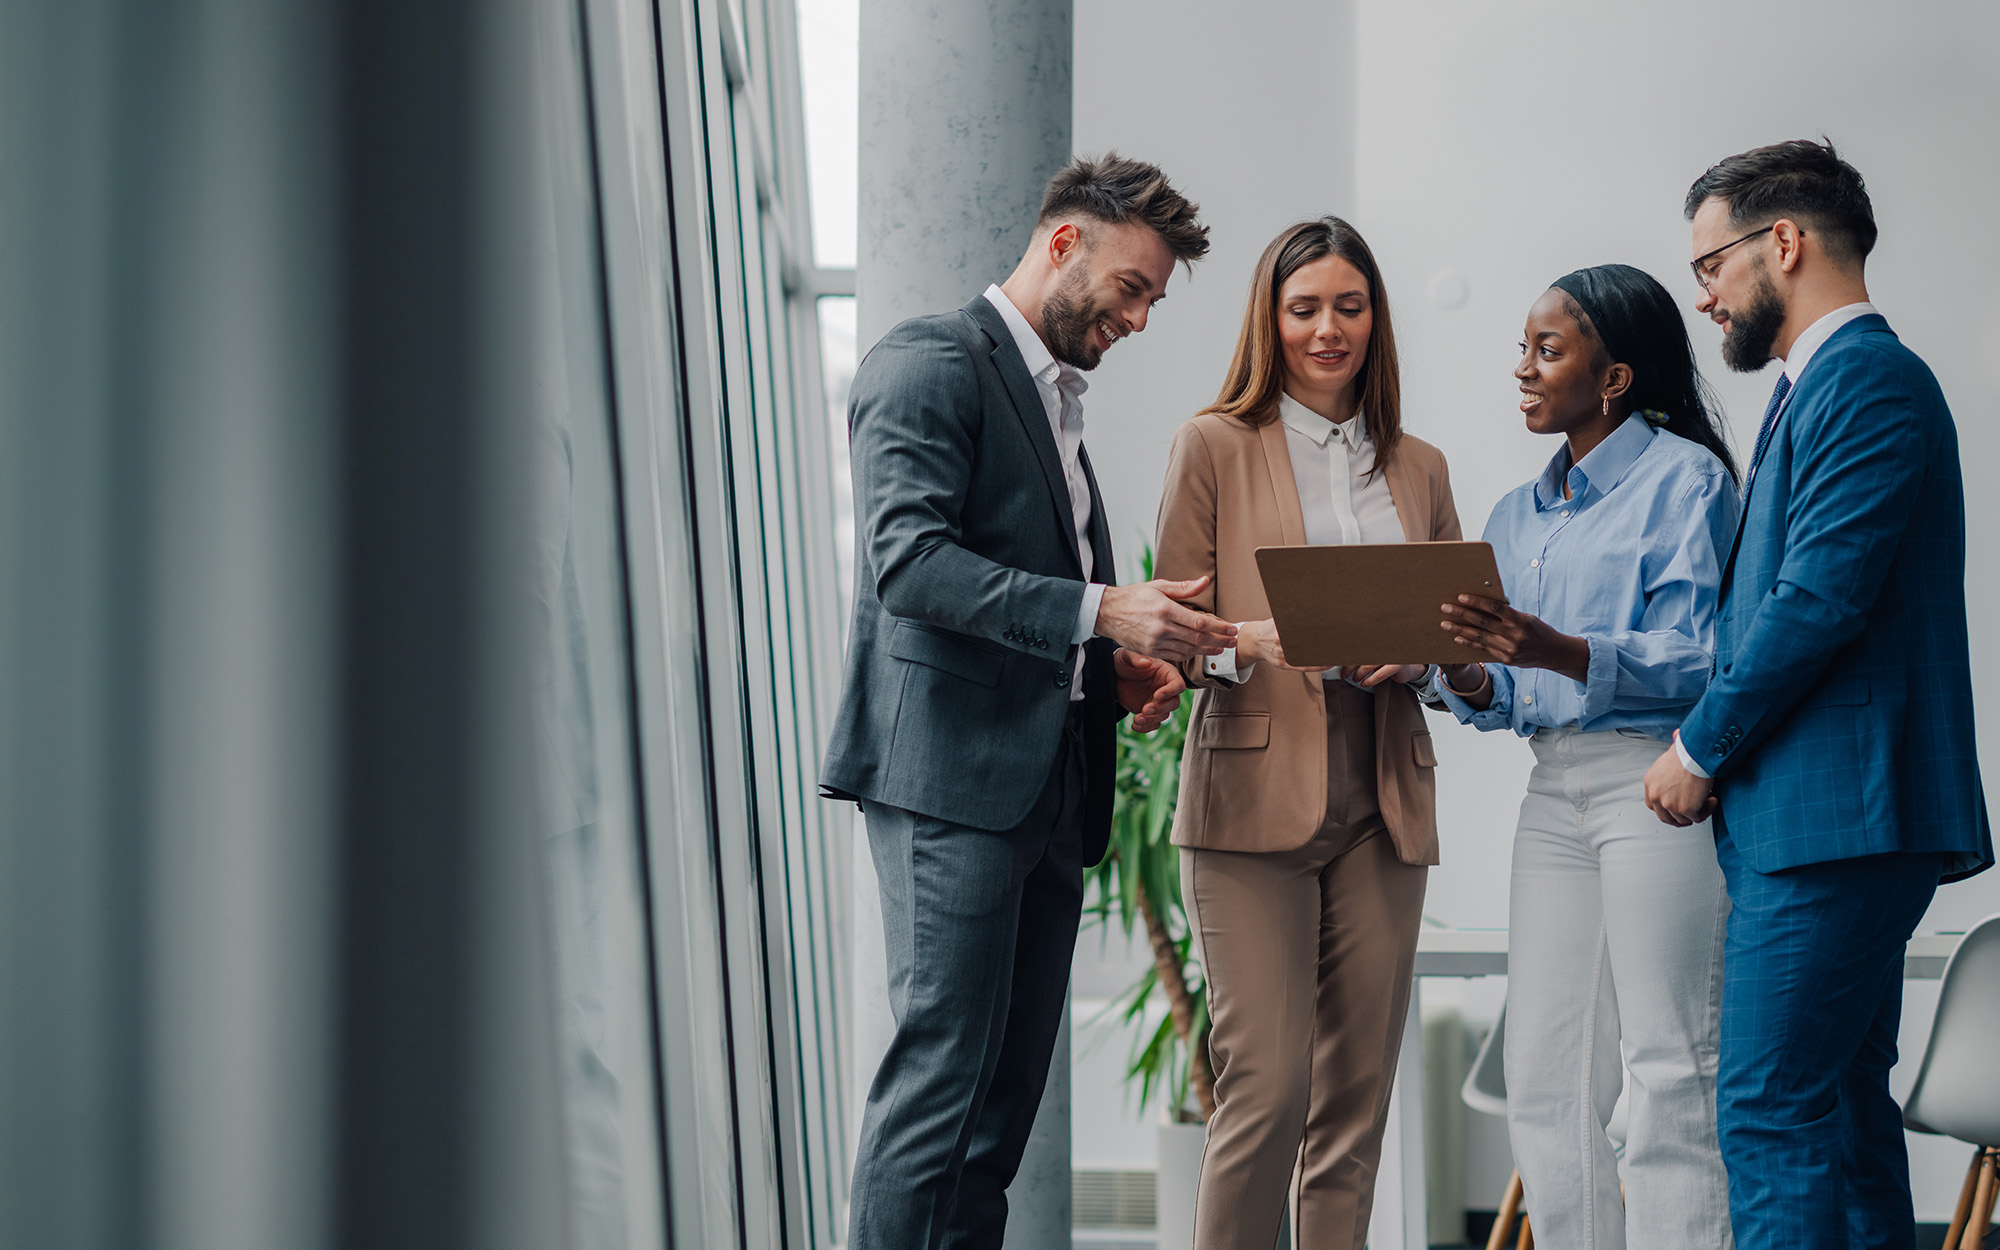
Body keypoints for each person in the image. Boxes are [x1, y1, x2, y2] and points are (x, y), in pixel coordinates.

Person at [821, 152, 1237, 1250]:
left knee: (996, 1111)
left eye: (1150, 296)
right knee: (939, 1086)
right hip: (950, 784)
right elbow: (907, 566)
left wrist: (1116, 669)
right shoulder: (927, 364)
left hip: (1045, 793)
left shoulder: (1058, 407)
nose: (1140, 316)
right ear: (1064, 245)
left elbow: (1035, 602)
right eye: (1132, 287)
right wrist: (1105, 611)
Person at [1642, 139, 1993, 1250]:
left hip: (1834, 820)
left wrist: (1696, 748)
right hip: (1818, 819)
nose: (1700, 296)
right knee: (1835, 1110)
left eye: (1708, 266)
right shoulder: (1822, 388)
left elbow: (1815, 600)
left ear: (1780, 242)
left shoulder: (1866, 379)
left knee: (1767, 1105)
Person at [1153, 216, 1462, 1249]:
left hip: (1382, 789)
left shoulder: (1416, 466)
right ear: (1268, 320)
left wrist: (1417, 653)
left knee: (1353, 1101)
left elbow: (1457, 639)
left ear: (1374, 319)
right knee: (1268, 1085)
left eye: (1348, 305)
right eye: (1302, 309)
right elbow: (1171, 635)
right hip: (1252, 789)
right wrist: (1257, 636)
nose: (1326, 329)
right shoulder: (1211, 444)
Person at [1434, 264, 1740, 1249]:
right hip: (1551, 781)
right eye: (1519, 347)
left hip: (1657, 777)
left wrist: (1547, 646)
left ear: (1611, 378)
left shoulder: (1684, 480)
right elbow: (1509, 690)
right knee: (1544, 1072)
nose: (1520, 368)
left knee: (1669, 1062)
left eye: (1545, 348)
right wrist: (1468, 673)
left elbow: (1705, 662)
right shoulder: (1515, 513)